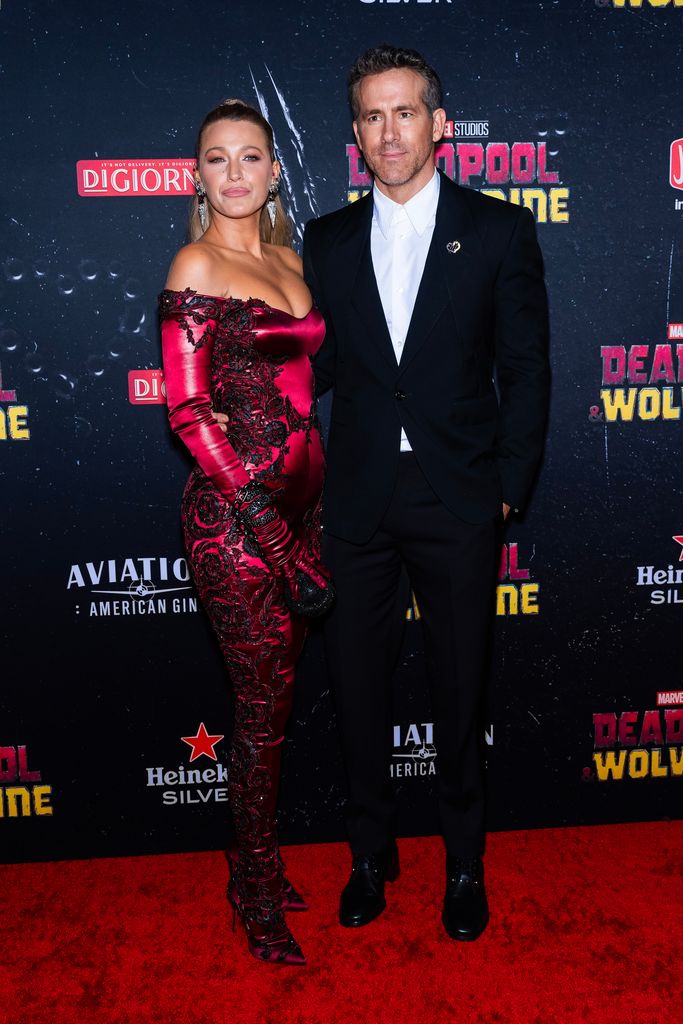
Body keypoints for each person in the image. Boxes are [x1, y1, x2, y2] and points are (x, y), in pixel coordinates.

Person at [302, 46, 550, 941]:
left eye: (404, 112)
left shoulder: (498, 230)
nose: (388, 131)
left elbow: (525, 371)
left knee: (460, 692)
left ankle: (463, 864)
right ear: (356, 138)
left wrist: (504, 492)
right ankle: (370, 855)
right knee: (357, 690)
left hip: (458, 500)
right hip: (357, 500)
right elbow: (319, 368)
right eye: (371, 116)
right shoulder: (326, 240)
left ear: (438, 125)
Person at [159, 98, 331, 966]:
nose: (234, 173)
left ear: (271, 170)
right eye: (216, 159)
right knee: (262, 711)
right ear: (198, 176)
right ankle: (254, 886)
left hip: (300, 515)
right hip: (235, 524)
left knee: (279, 704)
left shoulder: (289, 259)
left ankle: (253, 860)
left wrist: (303, 520)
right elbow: (189, 411)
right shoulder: (197, 260)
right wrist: (267, 525)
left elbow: (304, 383)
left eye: (250, 157)